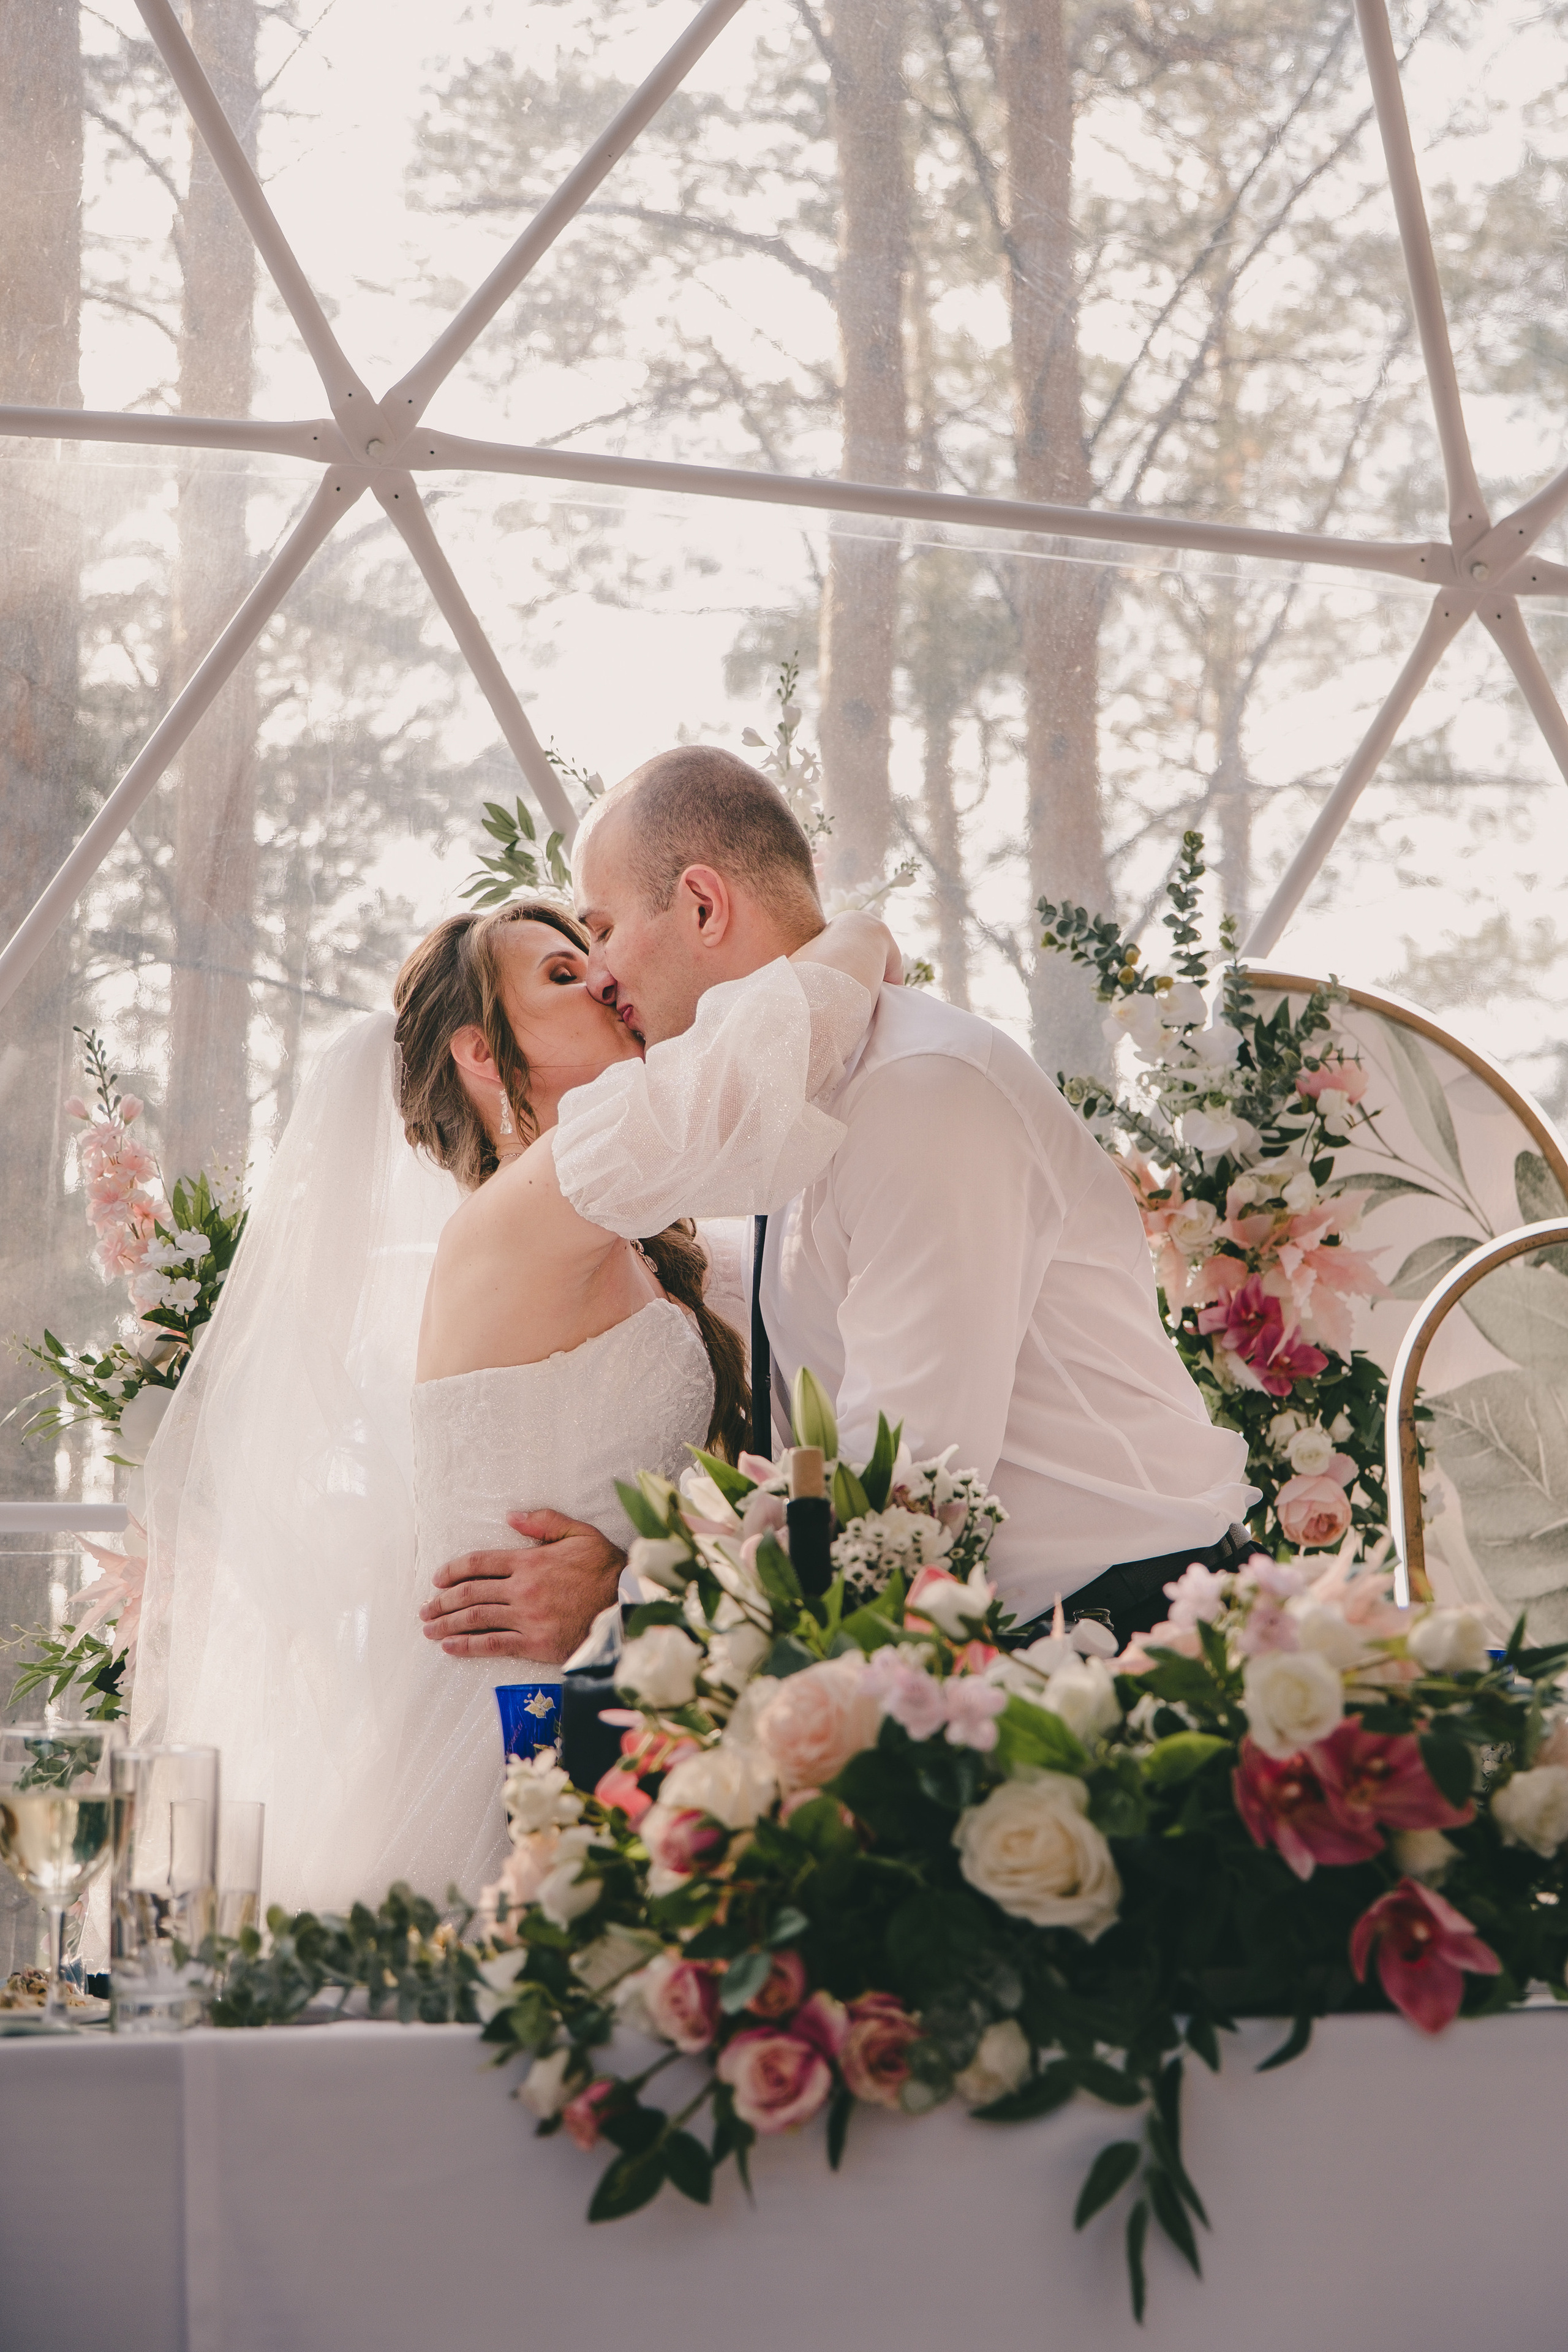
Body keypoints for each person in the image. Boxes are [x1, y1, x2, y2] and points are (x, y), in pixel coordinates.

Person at [132, 892, 893, 1913]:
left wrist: (636, 1583)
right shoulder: (509, 1228)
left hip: (611, 1701)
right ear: (482, 1057)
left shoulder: (628, 1241)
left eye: (593, 958)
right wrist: (867, 932)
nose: (607, 981)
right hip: (513, 1733)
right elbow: (747, 1083)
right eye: (564, 976)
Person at [421, 747, 1257, 1665]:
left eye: (605, 930)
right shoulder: (762, 1129)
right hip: (967, 1645)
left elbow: (900, 1492)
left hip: (1116, 1636)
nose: (603, 974)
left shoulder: (919, 1091)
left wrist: (634, 1601)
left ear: (703, 905)